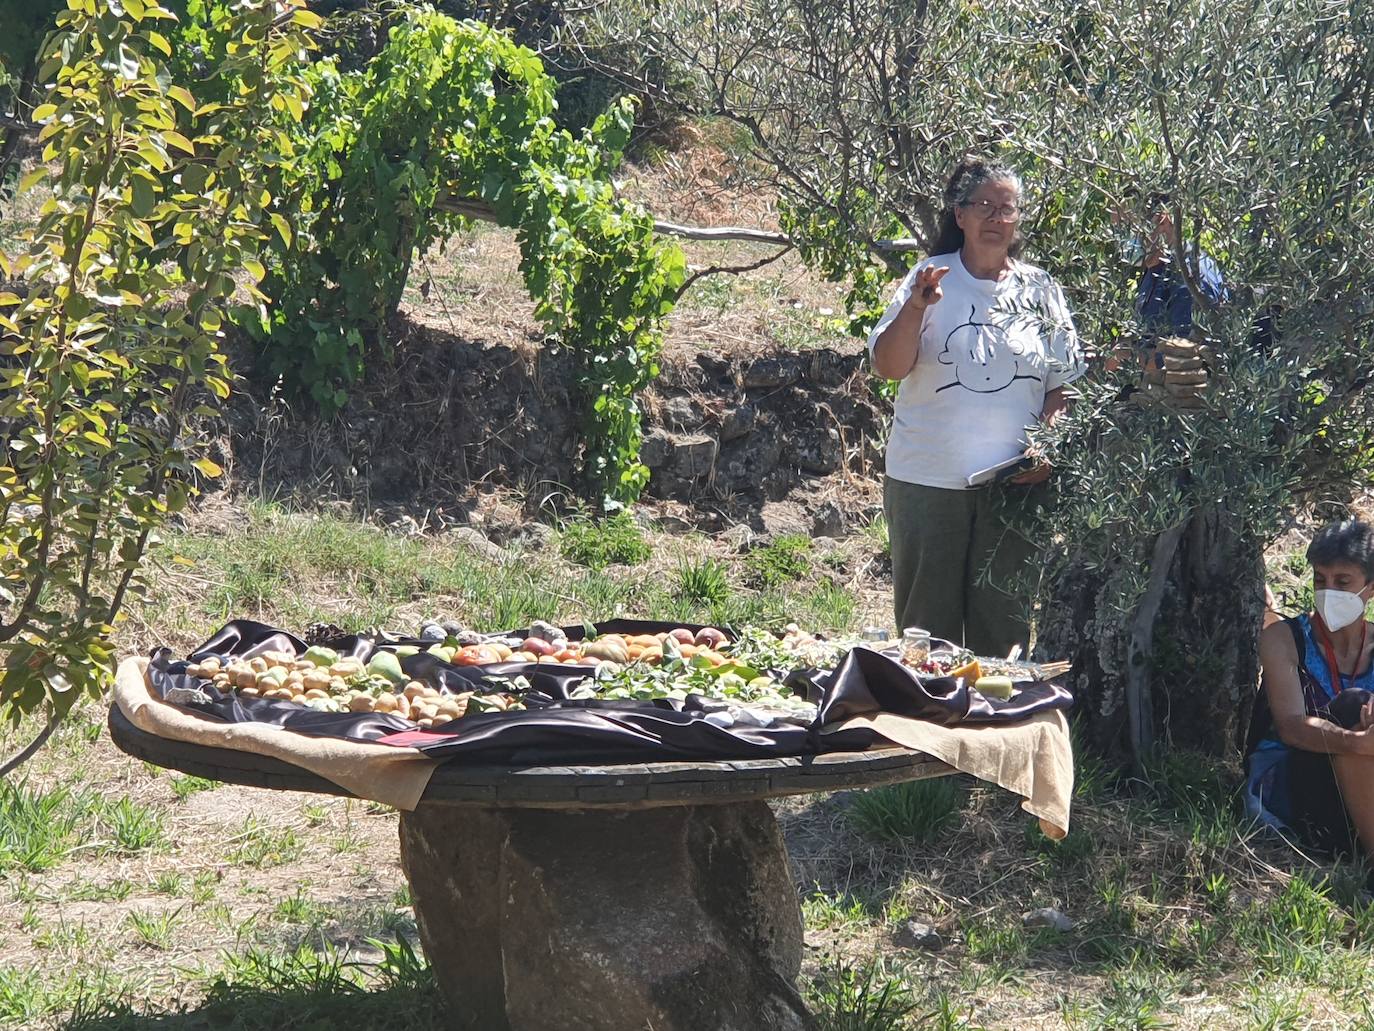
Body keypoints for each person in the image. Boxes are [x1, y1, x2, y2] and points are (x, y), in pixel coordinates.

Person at [868, 158, 1084, 657]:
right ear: (959, 215)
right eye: (982, 206)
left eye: (1005, 208)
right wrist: (918, 307)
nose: (994, 218)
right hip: (927, 482)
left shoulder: (1041, 290)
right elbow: (889, 367)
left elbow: (1064, 385)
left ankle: (992, 730)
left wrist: (1049, 443)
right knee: (926, 638)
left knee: (1003, 634)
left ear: (1018, 220)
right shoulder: (926, 278)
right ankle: (926, 732)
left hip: (1015, 488)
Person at [1246, 519, 1374, 858]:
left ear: (1371, 587)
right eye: (1320, 580)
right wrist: (1356, 743)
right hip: (1300, 783)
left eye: (1343, 582)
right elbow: (1291, 727)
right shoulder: (1284, 639)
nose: (1328, 591)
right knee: (1353, 705)